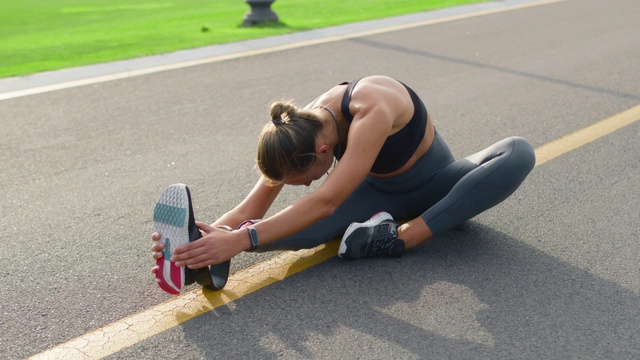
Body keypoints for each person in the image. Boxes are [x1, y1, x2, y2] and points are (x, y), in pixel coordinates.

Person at [151, 75, 535, 278]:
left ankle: (398, 239)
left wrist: (243, 238)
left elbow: (325, 200)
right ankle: (206, 258)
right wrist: (203, 240)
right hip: (377, 194)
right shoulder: (298, 129)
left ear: (321, 153)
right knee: (309, 230)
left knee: (518, 153)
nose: (302, 185)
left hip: (438, 185)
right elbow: (256, 205)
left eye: (300, 178)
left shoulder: (372, 106)